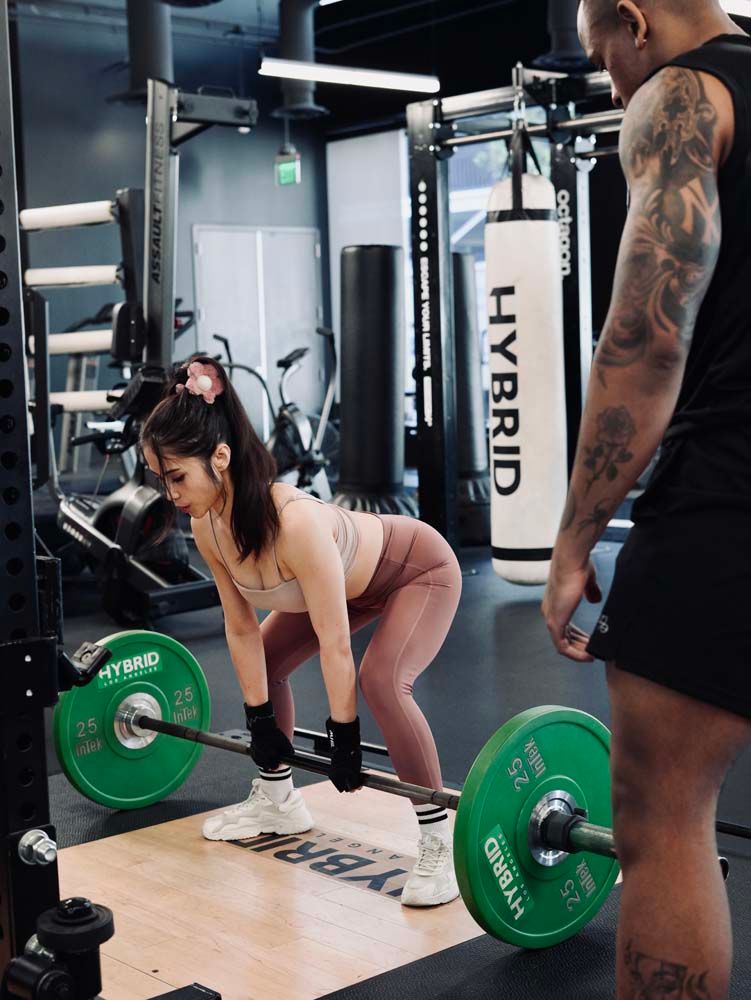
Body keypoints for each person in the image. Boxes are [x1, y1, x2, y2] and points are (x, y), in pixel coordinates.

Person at [543, 1, 751, 996]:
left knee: (662, 816)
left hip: (729, 490)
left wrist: (572, 539)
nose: (612, 84)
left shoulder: (680, 96)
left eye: (602, 60)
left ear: (633, 20)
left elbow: (645, 341)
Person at [140, 357, 462, 907]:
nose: (170, 493)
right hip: (344, 584)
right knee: (266, 663)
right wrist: (260, 723)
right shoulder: (206, 526)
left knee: (382, 681)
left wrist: (344, 736)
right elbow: (240, 628)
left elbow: (335, 642)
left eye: (177, 477)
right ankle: (278, 799)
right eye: (160, 479)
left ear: (220, 458)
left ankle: (439, 838)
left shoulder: (294, 523)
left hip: (415, 569)